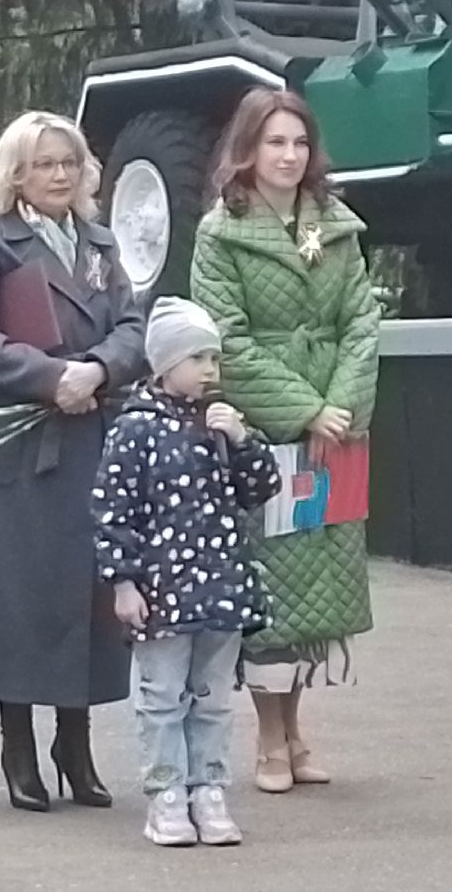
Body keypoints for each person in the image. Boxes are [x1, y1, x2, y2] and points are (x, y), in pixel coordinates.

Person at [0, 110, 146, 813]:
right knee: (19, 599)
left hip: (89, 437)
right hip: (17, 448)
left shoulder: (98, 241)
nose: (59, 175)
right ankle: (19, 745)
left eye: (69, 162)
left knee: (84, 595)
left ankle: (75, 742)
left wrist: (94, 370)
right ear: (16, 173)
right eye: (44, 164)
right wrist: (48, 377)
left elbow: (131, 327)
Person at [190, 87, 381, 794]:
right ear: (248, 149)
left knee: (319, 588)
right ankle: (268, 738)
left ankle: (299, 728)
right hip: (266, 433)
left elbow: (363, 321)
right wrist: (302, 408)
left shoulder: (335, 224)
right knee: (271, 585)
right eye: (275, 142)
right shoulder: (221, 232)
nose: (289, 156)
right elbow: (225, 342)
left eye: (299, 143)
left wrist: (339, 405)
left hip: (336, 429)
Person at [93, 296, 282, 847]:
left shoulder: (221, 425)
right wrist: (123, 581)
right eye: (197, 358)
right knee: (161, 694)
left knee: (214, 696)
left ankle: (211, 789)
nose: (209, 371)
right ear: (164, 364)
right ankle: (166, 794)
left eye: (214, 360)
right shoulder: (135, 430)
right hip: (163, 592)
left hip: (221, 588)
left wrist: (243, 441)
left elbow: (261, 489)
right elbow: (112, 509)